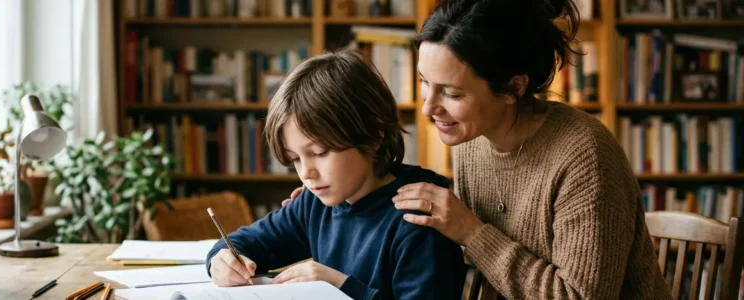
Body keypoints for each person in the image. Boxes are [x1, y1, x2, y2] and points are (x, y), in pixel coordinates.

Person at [283, 0, 674, 298]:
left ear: (513, 88)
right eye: (425, 82)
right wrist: (346, 205)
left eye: (452, 93)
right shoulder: (472, 143)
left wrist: (471, 232)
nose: (428, 108)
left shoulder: (585, 156)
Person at [205, 49, 466, 300]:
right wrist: (222, 259)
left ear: (374, 135)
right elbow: (244, 243)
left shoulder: (420, 219)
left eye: (319, 152)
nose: (306, 173)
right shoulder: (314, 204)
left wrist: (339, 287)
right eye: (295, 159)